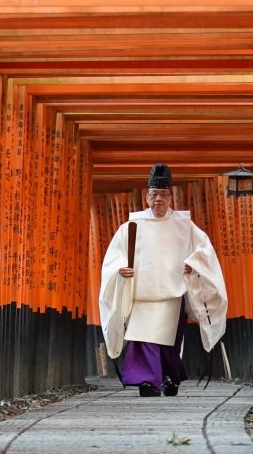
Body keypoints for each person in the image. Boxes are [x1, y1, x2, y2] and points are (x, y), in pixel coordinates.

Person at [98, 163, 228, 397]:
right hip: (141, 296)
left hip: (171, 295)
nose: (158, 199)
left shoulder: (184, 225)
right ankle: (147, 381)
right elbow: (113, 258)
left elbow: (204, 251)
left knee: (168, 344)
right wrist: (120, 270)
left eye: (163, 194)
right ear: (146, 197)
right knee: (142, 340)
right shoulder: (131, 226)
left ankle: (169, 377)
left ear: (171, 197)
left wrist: (193, 263)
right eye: (154, 194)